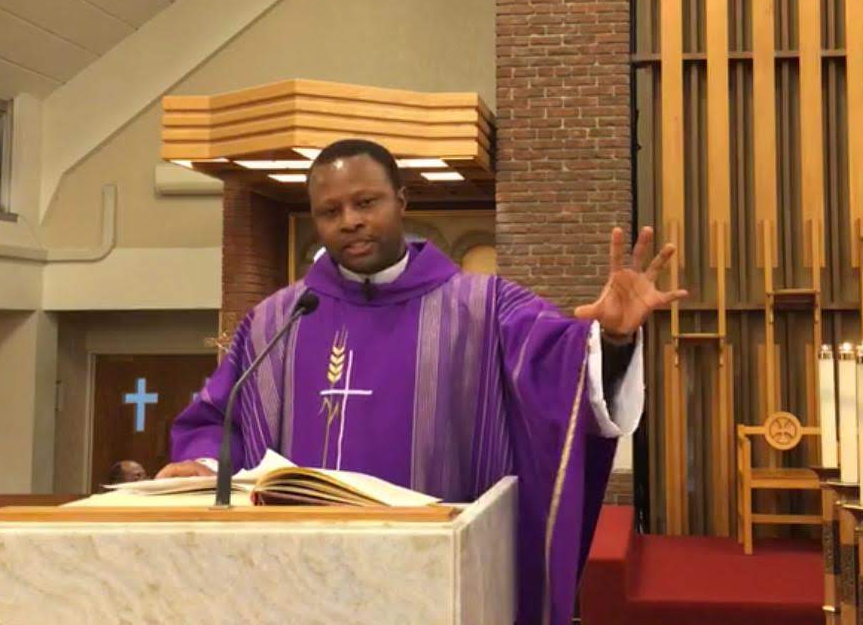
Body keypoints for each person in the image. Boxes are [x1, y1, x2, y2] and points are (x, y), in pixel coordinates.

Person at [158, 139, 686, 625]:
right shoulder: (277, 320)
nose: (350, 221)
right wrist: (203, 464)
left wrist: (613, 339)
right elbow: (218, 416)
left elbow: (566, 376)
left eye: (366, 203)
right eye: (330, 211)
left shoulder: (486, 306)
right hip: (301, 584)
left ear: (402, 201)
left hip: (436, 584)